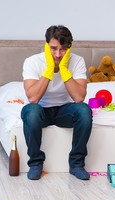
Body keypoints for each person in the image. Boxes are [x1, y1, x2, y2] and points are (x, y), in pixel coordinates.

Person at [21, 25, 92, 180]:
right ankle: (35, 163)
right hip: (41, 110)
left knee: (84, 110)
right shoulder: (32, 62)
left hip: (64, 111)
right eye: (53, 49)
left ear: (69, 47)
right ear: (46, 46)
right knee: (30, 110)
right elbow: (33, 98)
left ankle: (77, 164)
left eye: (63, 49)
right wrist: (49, 68)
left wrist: (64, 69)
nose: (58, 54)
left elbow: (79, 97)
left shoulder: (78, 61)